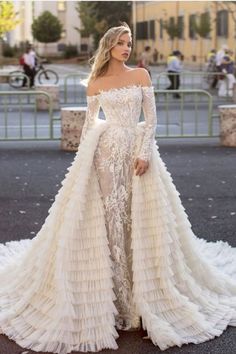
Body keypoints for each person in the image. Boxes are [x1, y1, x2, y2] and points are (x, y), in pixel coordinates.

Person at [0, 22, 236, 354]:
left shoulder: (141, 76)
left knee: (139, 219)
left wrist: (143, 153)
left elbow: (151, 119)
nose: (127, 48)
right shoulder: (96, 82)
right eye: (121, 43)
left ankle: (142, 295)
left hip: (136, 152)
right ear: (109, 46)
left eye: (130, 42)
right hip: (105, 154)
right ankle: (115, 293)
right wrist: (84, 165)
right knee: (111, 218)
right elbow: (89, 124)